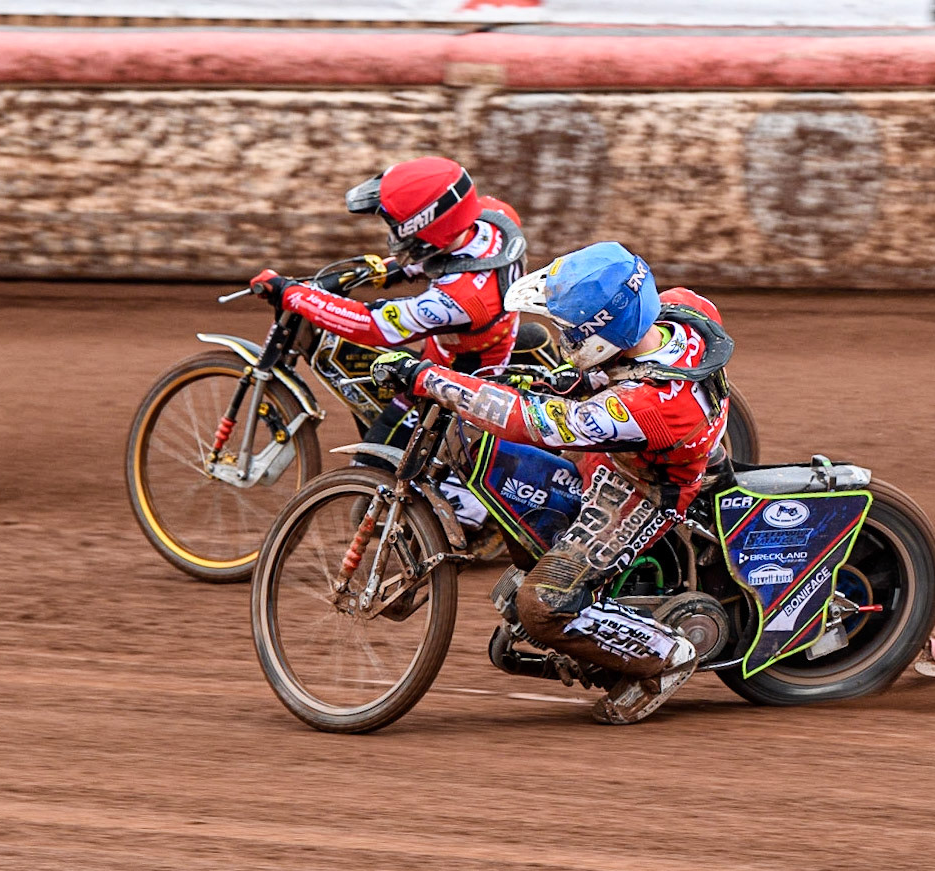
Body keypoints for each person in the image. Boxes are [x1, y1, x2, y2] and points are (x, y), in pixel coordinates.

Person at [369, 241, 734, 724]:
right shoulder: (684, 311)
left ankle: (667, 656)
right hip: (651, 445)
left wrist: (428, 378)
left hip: (643, 488)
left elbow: (532, 421)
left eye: (565, 330)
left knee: (540, 605)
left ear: (600, 336)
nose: (559, 336)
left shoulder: (646, 405)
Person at [247, 156, 528, 451]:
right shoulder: (493, 217)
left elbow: (370, 324)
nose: (392, 232)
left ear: (429, 224)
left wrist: (293, 294)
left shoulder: (457, 299)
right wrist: (389, 269)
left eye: (396, 225)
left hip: (454, 386)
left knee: (372, 459)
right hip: (471, 348)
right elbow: (458, 258)